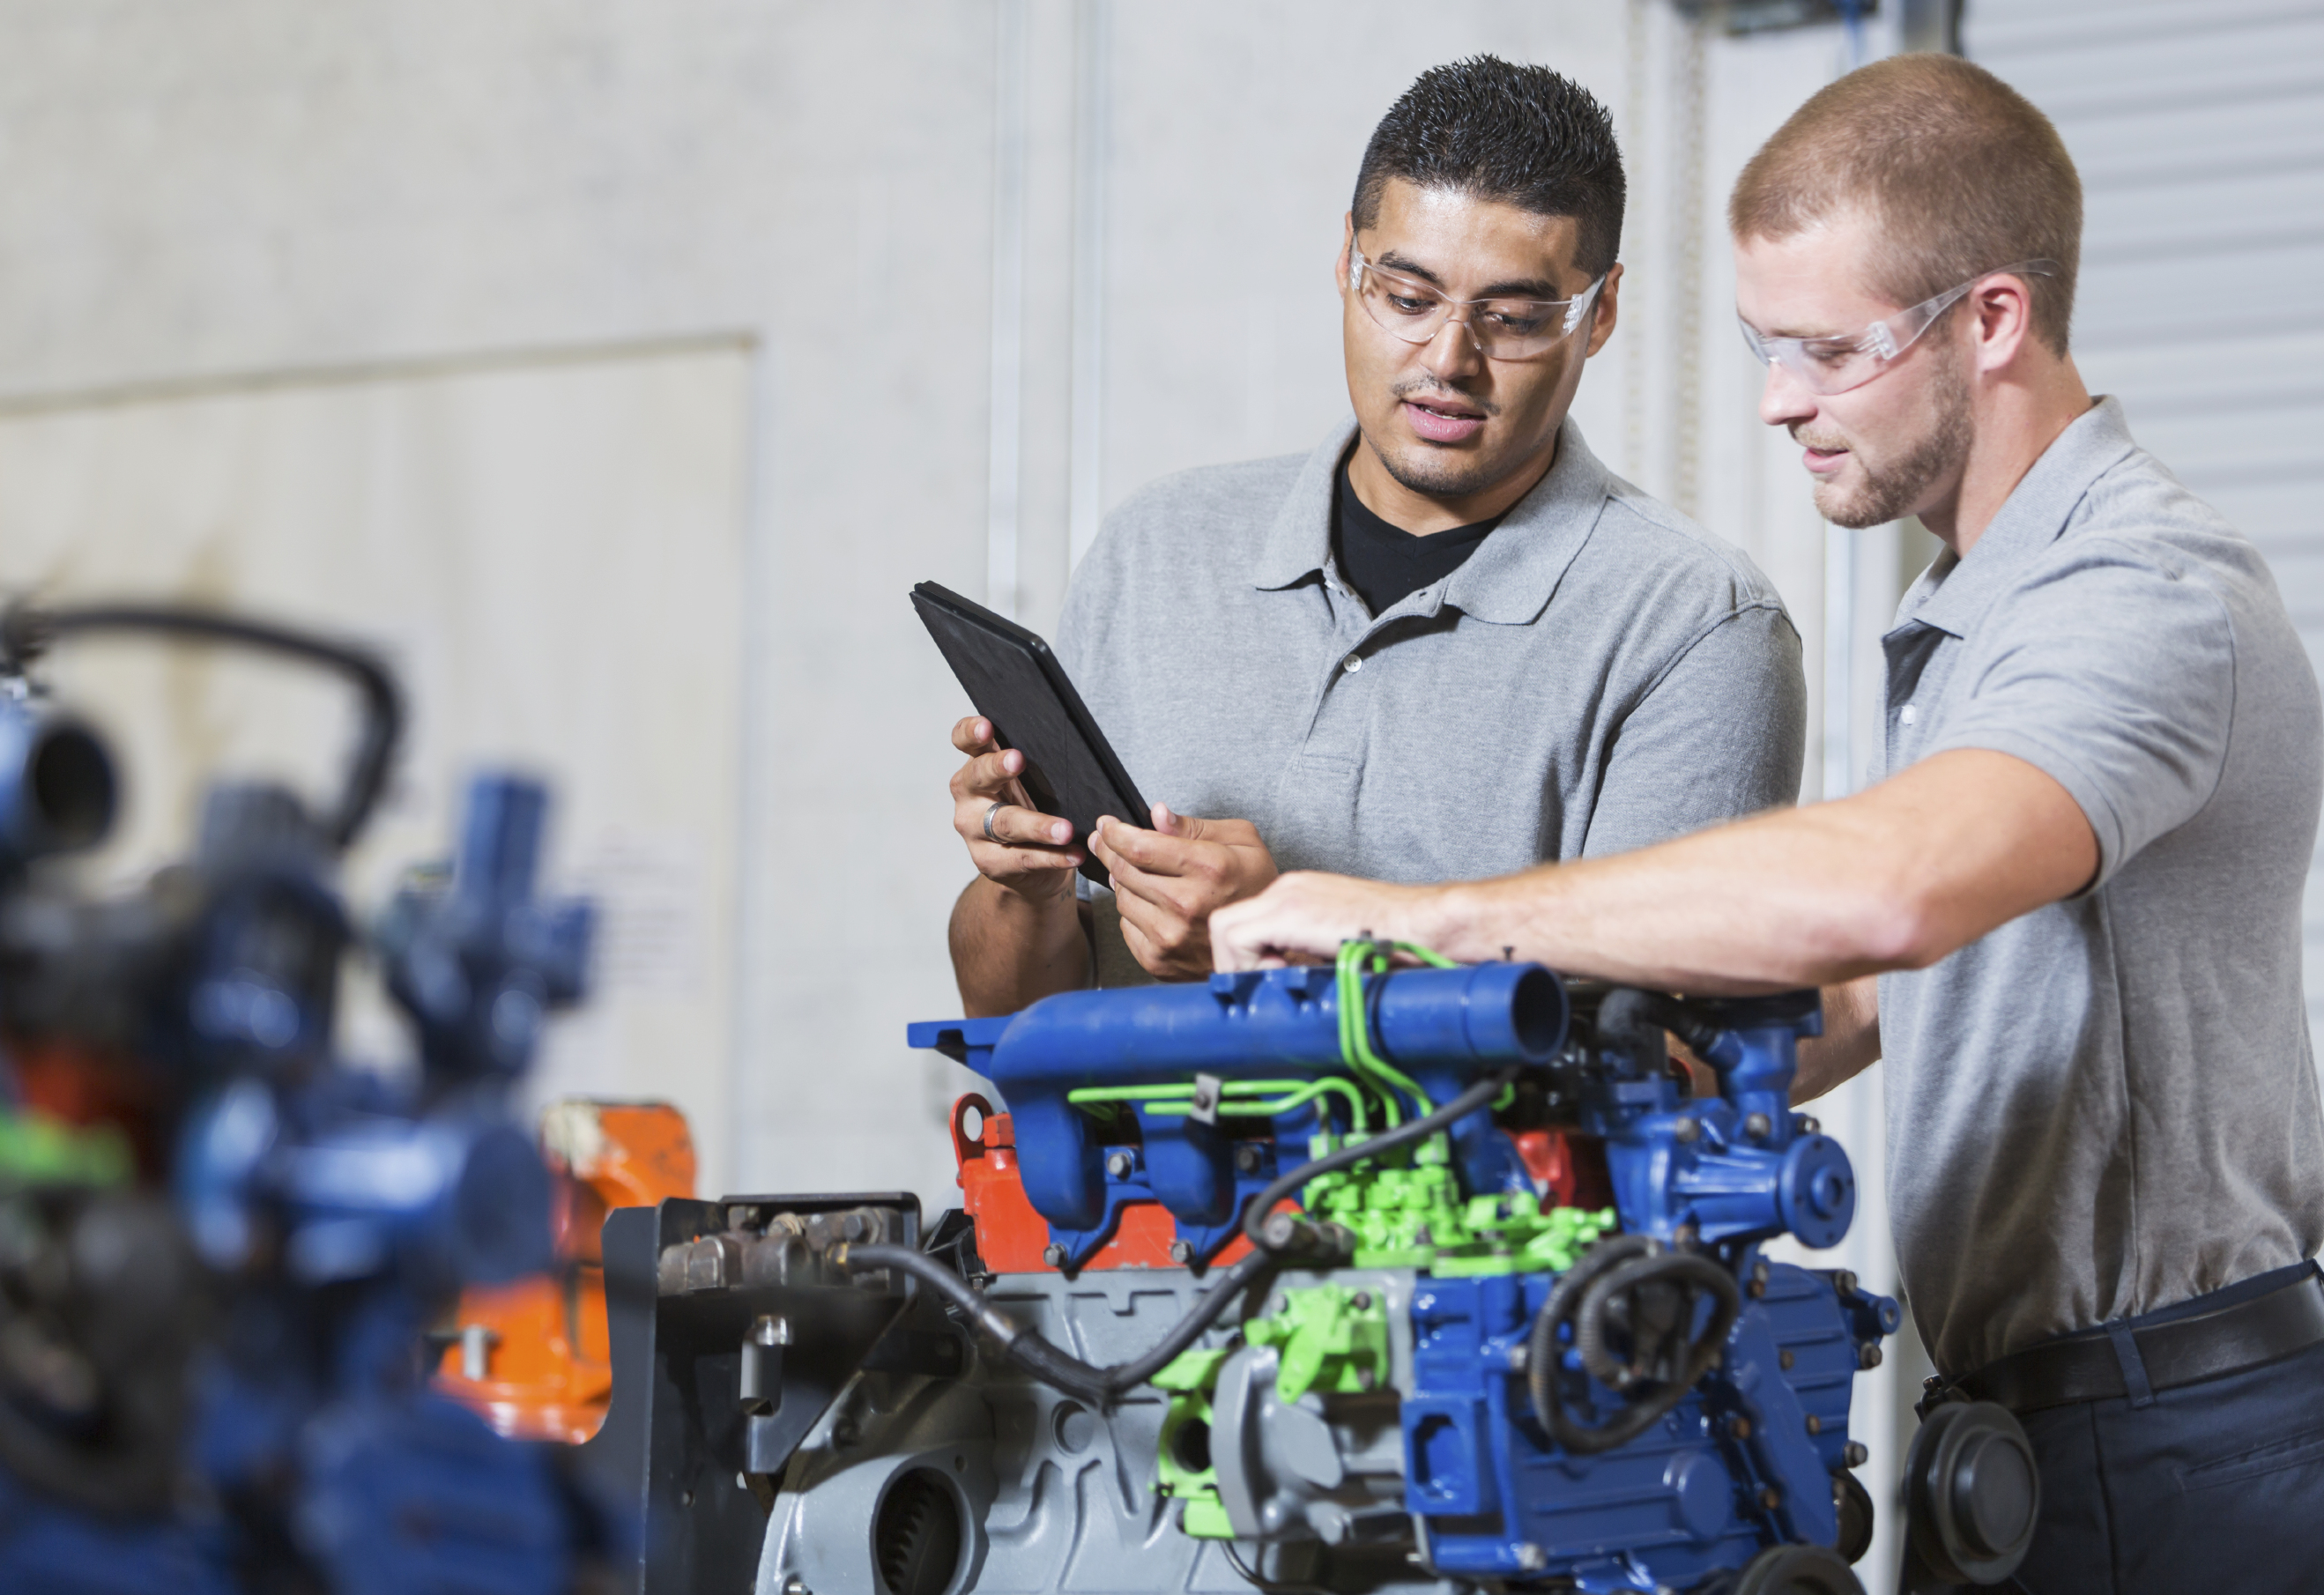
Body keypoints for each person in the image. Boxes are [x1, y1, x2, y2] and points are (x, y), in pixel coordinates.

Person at [1213, 52, 2324, 1595]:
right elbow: (1883, 988)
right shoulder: (1980, 610)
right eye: (1761, 343)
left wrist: (1429, 917)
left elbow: (1892, 894)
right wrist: (1554, 1068)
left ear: (1990, 320)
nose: (1777, 400)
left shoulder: (2143, 598)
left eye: (1825, 349)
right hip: (2024, 1426)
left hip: (2173, 1446)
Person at [945, 56, 1806, 1019]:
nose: (1448, 360)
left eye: (1514, 319)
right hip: (1110, 1176)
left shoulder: (1694, 626)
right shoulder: (1154, 548)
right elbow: (1013, 1031)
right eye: (1405, 297)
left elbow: (1655, 1071)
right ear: (1347, 262)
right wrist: (1027, 892)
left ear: (1597, 314)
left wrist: (1286, 949)